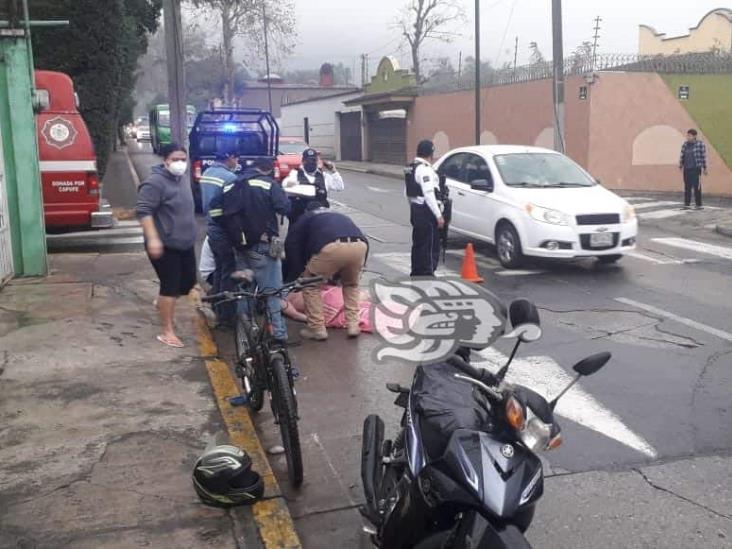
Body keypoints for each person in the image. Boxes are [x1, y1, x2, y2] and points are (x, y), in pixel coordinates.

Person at [211, 157, 291, 344]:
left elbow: (214, 211)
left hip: (239, 246)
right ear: (268, 170)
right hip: (263, 246)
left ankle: (245, 334)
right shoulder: (268, 184)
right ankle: (278, 334)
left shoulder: (230, 184)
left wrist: (233, 231)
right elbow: (285, 208)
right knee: (271, 290)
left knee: (244, 291)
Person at [136, 143, 197, 348]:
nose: (180, 163)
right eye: (175, 159)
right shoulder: (154, 183)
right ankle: (167, 331)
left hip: (185, 242)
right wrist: (153, 238)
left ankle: (162, 302)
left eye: (183, 159)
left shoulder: (182, 179)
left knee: (187, 283)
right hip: (165, 244)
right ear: (165, 160)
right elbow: (144, 211)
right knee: (170, 286)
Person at [285, 204, 368, 341]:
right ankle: (353, 325)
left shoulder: (305, 218)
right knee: (351, 285)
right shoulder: (339, 215)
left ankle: (317, 328)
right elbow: (361, 237)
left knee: (311, 286)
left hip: (331, 247)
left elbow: (291, 244)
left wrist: (298, 272)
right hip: (360, 245)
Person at [200, 150, 240, 323]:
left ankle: (216, 305)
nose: (237, 161)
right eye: (236, 158)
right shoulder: (230, 178)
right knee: (228, 272)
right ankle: (226, 315)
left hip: (211, 227)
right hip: (225, 229)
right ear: (230, 157)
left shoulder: (207, 173)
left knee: (219, 269)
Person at [406, 139, 445, 276]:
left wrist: (414, 207)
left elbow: (408, 193)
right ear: (431, 153)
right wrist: (438, 215)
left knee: (418, 244)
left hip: (416, 210)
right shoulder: (425, 170)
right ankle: (427, 273)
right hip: (426, 212)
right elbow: (429, 194)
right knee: (430, 245)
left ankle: (416, 272)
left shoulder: (412, 168)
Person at [282, 148, 344, 225]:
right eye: (308, 160)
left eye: (313, 160)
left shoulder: (324, 176)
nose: (310, 163)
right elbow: (286, 187)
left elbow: (339, 186)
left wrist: (333, 171)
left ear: (317, 162)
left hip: (320, 222)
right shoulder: (294, 174)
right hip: (299, 222)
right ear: (303, 161)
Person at [679, 129, 708, 210]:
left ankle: (698, 205)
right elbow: (682, 155)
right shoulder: (685, 144)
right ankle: (687, 204)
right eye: (687, 135)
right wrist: (681, 165)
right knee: (687, 187)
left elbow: (703, 157)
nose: (688, 137)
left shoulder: (700, 144)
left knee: (697, 187)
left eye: (689, 135)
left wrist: (705, 168)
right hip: (687, 169)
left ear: (694, 136)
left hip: (696, 169)